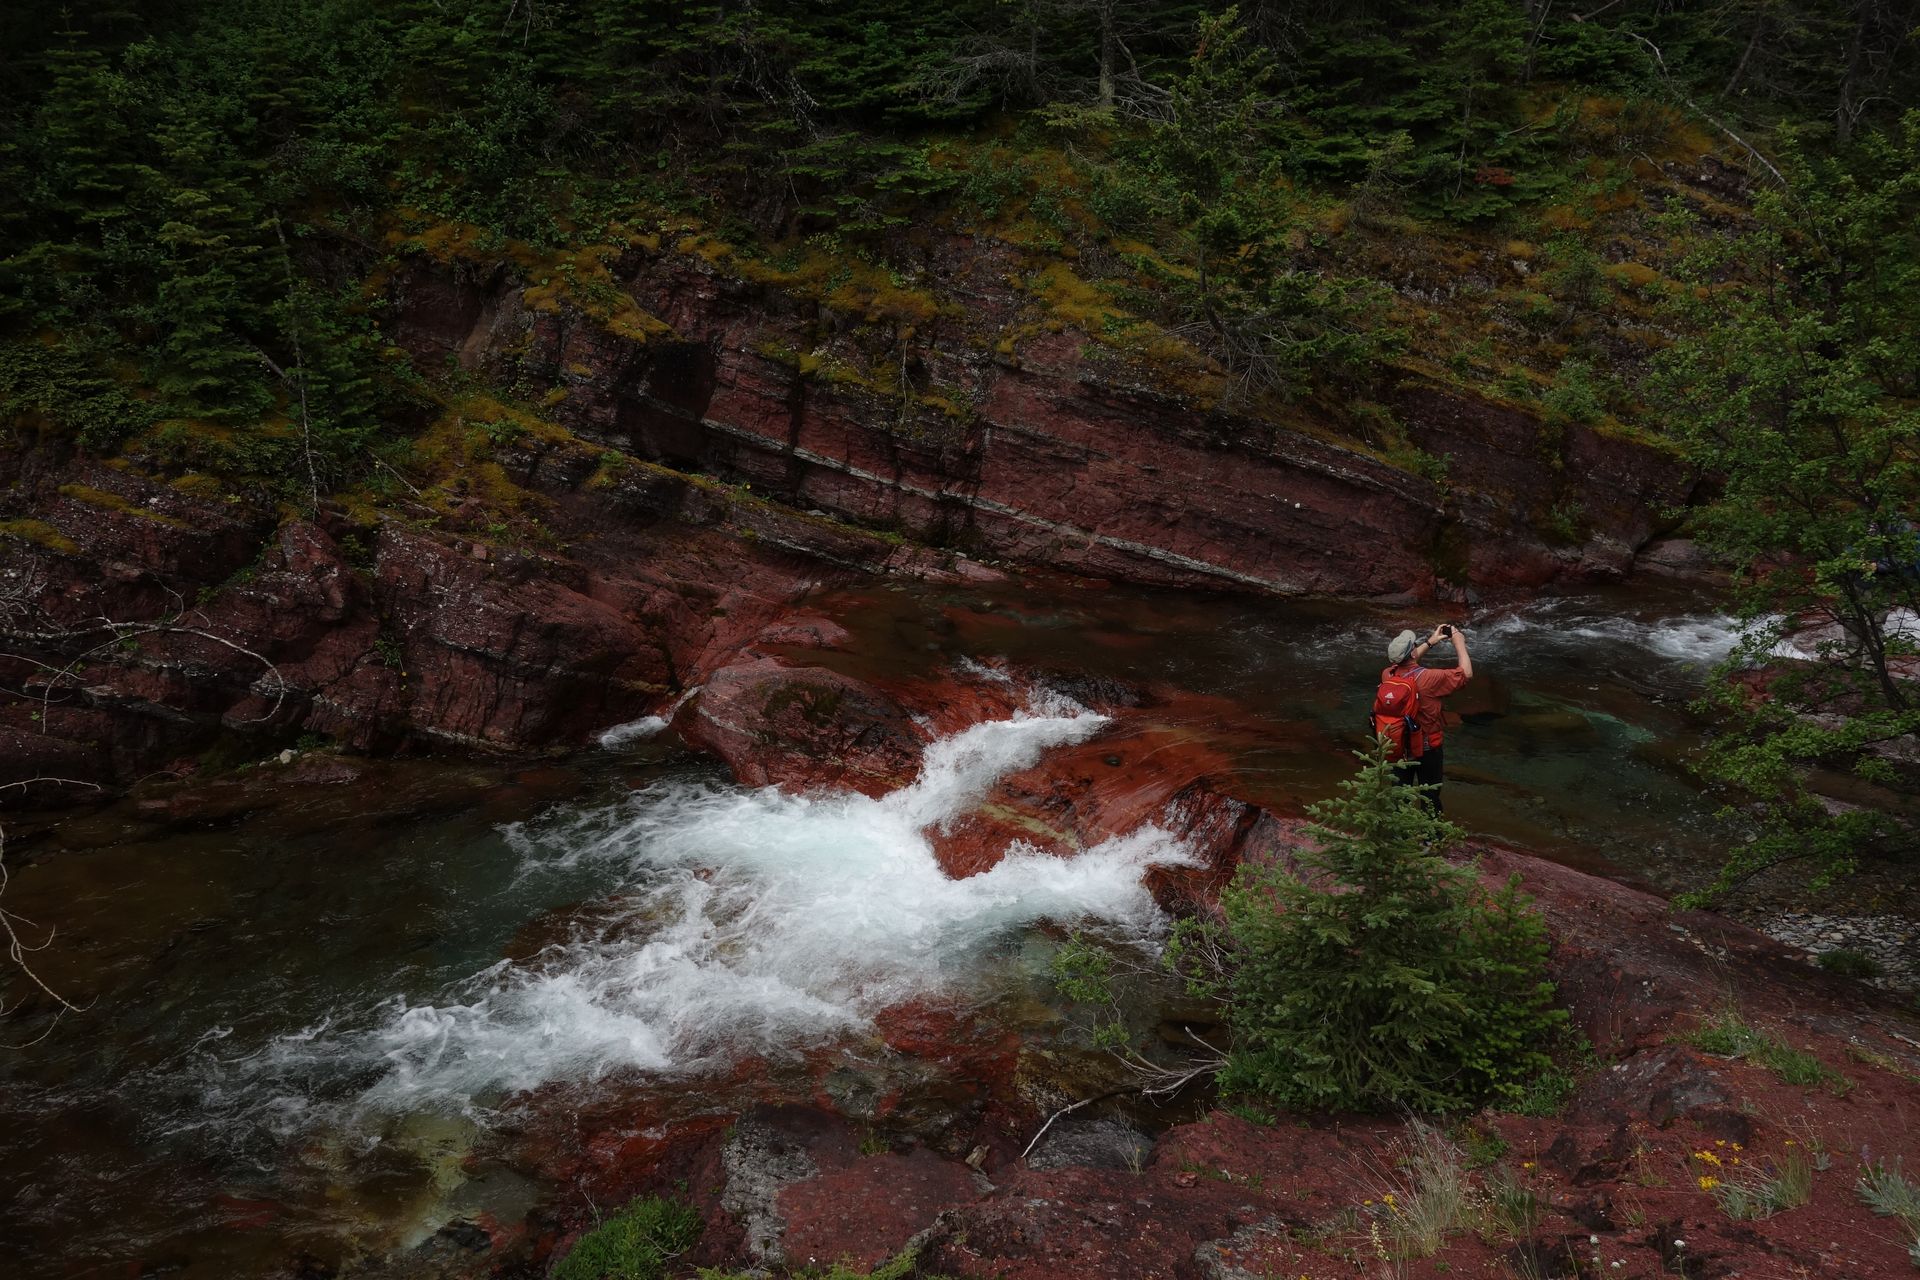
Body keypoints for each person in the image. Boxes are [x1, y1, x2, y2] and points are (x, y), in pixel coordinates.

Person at [1382, 623, 1473, 814]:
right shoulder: (1430, 678)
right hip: (1427, 748)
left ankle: (1401, 837)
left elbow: (1406, 662)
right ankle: (1431, 840)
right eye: (1414, 645)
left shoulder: (1387, 675)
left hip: (1398, 745)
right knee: (1430, 796)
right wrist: (1459, 642)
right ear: (1413, 654)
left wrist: (1430, 642)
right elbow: (1466, 674)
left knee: (1400, 794)